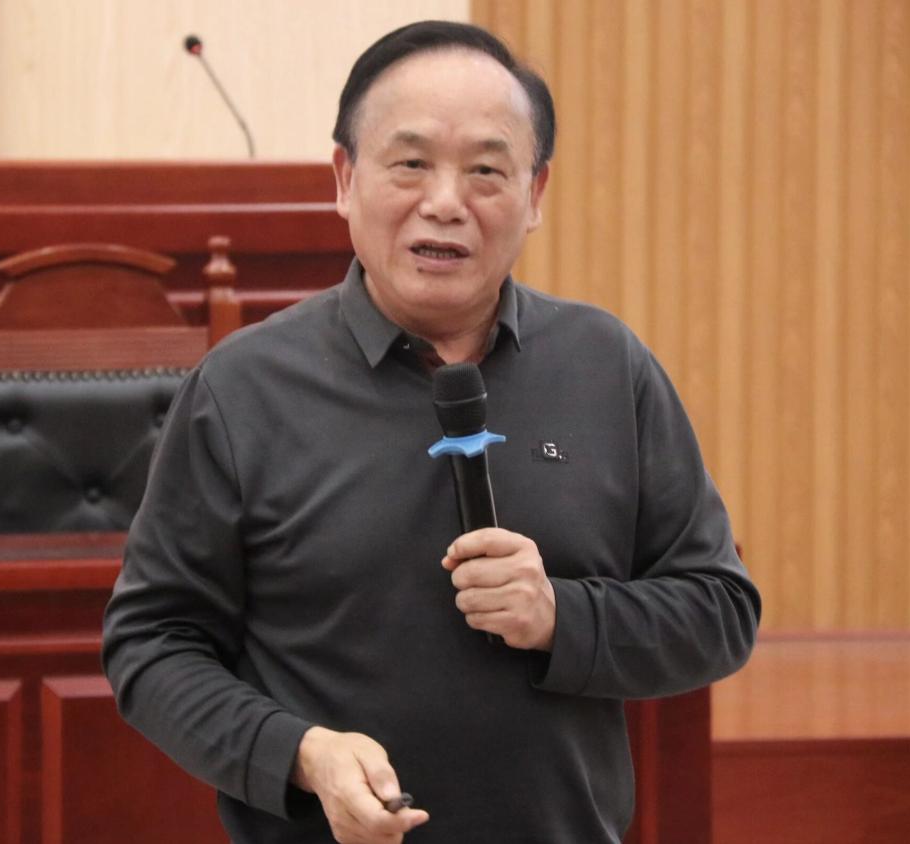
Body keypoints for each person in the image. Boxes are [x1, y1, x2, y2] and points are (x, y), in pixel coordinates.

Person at [102, 20, 760, 844]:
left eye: (486, 170)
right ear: (345, 179)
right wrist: (300, 754)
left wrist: (562, 615)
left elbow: (719, 611)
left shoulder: (605, 365)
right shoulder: (242, 389)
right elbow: (152, 644)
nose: (446, 203)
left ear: (536, 194)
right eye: (410, 163)